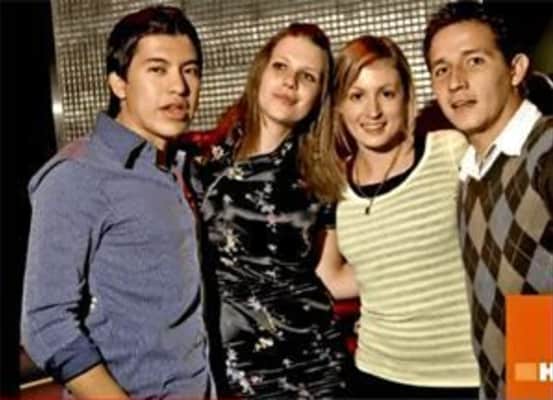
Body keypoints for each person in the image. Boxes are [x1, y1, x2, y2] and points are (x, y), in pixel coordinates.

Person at [20, 6, 214, 398]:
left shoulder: (181, 168)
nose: (179, 86)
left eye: (190, 70)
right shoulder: (77, 175)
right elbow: (45, 324)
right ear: (119, 83)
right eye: (157, 69)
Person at [315, 35, 480, 398]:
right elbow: (334, 278)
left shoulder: (450, 150)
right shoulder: (336, 185)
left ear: (407, 97)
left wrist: (534, 373)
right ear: (339, 105)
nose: (372, 111)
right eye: (357, 96)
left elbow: (513, 254)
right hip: (377, 373)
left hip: (464, 375)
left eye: (386, 94)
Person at [191, 23, 347, 399]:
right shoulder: (200, 160)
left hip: (314, 362)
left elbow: (330, 275)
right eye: (281, 66)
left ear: (319, 96)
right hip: (230, 365)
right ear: (261, 71)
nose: (290, 82)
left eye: (307, 76)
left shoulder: (322, 176)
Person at [423, 2, 553, 399]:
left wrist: (536, 384)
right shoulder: (471, 172)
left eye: (474, 61)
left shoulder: (545, 151)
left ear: (515, 70)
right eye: (441, 69)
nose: (455, 82)